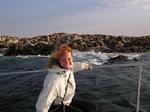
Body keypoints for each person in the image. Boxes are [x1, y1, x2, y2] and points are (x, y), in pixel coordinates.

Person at [36, 44, 97, 112]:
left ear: (72, 58)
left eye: (69, 59)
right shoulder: (54, 80)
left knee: (92, 107)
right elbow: (43, 102)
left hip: (66, 101)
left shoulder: (67, 68)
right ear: (58, 61)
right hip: (56, 106)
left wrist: (87, 65)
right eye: (63, 60)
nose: (67, 62)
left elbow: (76, 66)